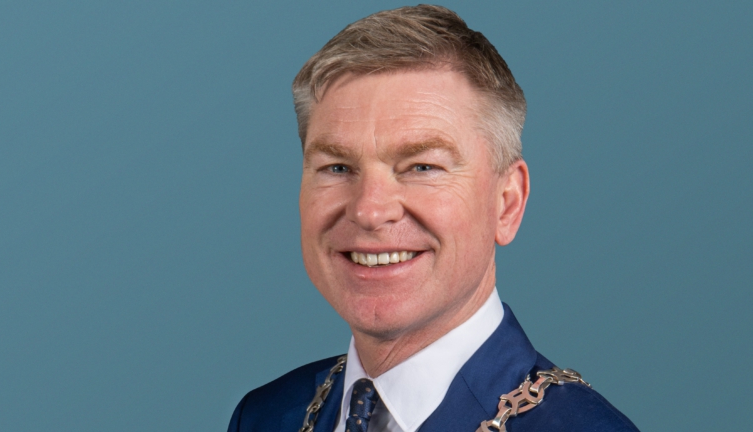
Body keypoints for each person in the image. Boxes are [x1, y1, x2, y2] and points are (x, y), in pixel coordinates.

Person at [228, 5, 639, 432]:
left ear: (507, 203)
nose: (369, 211)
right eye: (337, 167)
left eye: (422, 167)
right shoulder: (264, 416)